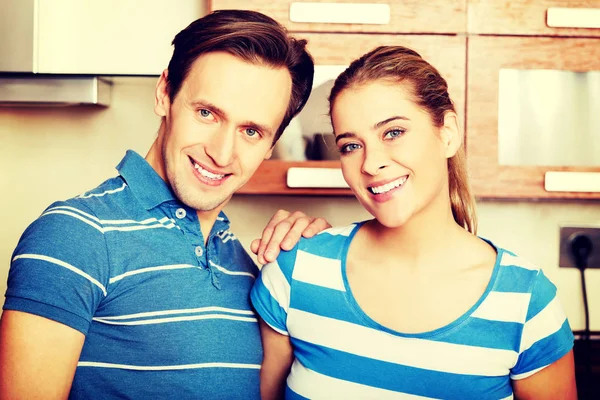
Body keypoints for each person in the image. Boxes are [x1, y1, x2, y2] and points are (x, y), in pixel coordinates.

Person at [0, 10, 331, 399]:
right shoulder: (75, 235)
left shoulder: (243, 264)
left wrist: (316, 262)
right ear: (164, 94)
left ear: (271, 144)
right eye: (207, 113)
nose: (222, 154)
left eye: (251, 131)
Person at [251, 46, 577, 399]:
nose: (371, 164)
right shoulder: (296, 272)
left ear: (447, 133)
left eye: (393, 133)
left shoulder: (526, 303)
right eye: (350, 146)